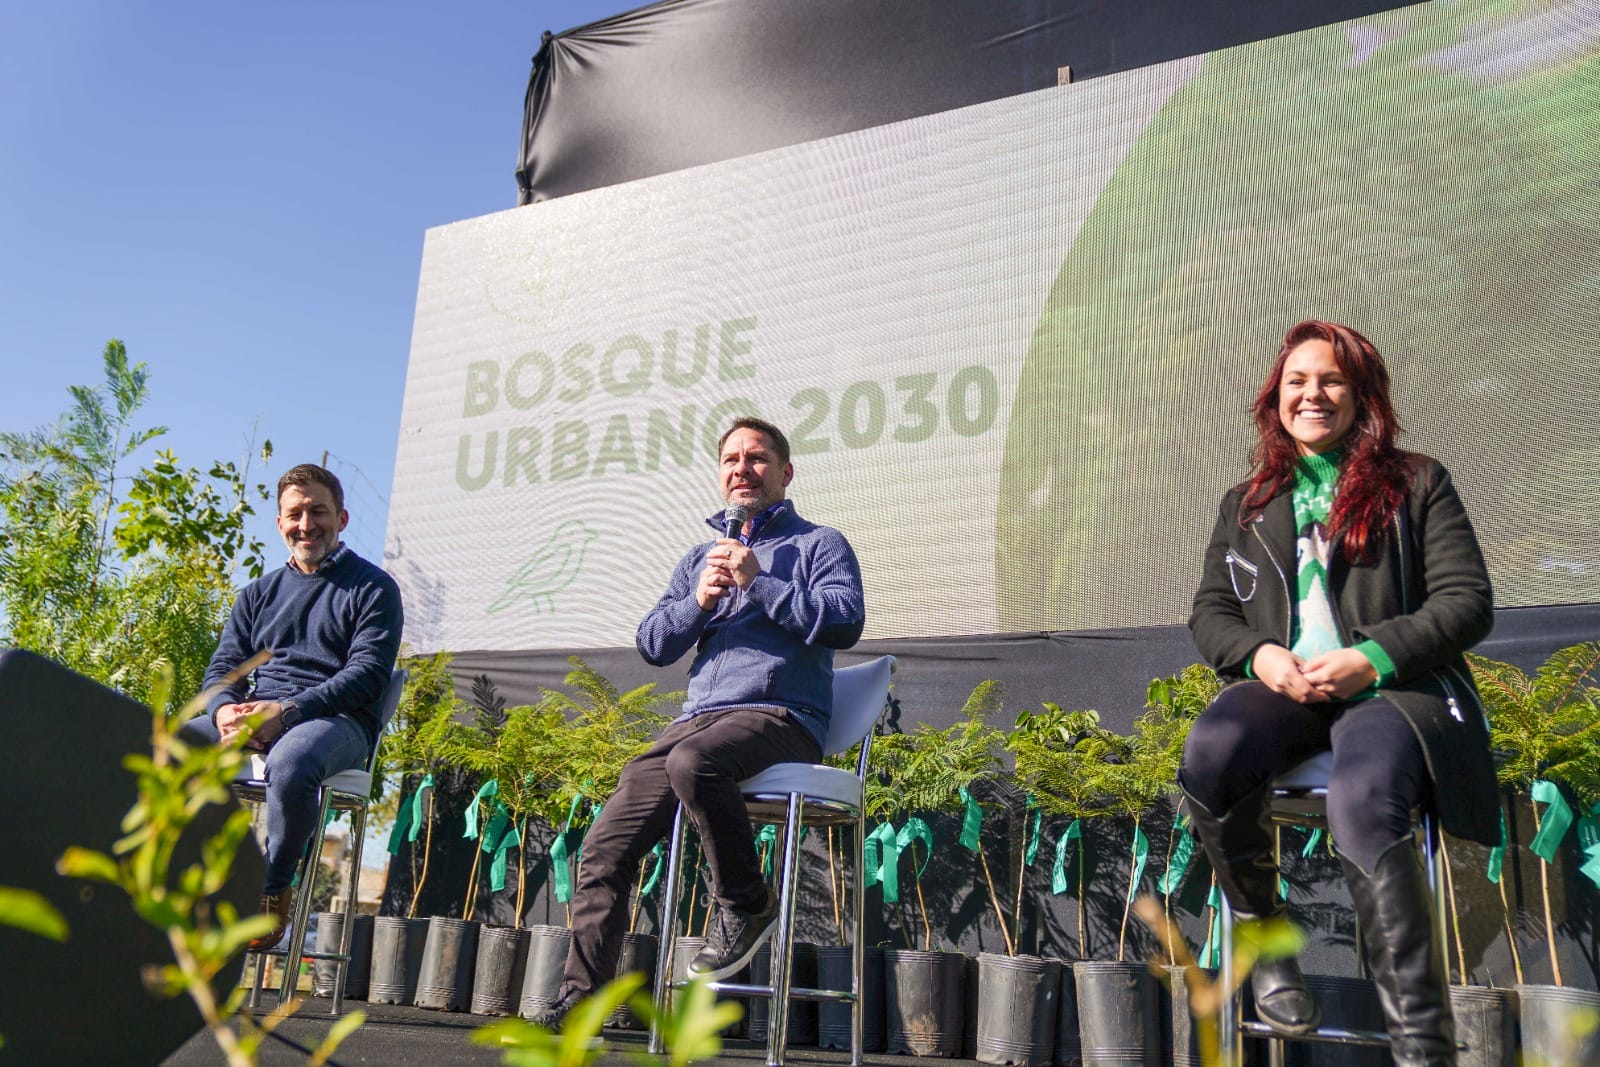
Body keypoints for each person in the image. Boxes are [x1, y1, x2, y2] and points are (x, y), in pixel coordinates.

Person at [1181, 320, 1495, 1067]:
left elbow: (1466, 602)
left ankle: (1422, 1046)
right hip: (1287, 691)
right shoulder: (1247, 500)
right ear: (1275, 398)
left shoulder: (1418, 481)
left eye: (1329, 380)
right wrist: (1259, 655)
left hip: (1395, 692)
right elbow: (1210, 612)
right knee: (1212, 749)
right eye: (1296, 381)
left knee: (1365, 794)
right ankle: (1268, 944)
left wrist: (1373, 657)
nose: (1311, 394)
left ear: (1361, 394)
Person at [535, 416, 866, 1028]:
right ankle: (581, 1001)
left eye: (758, 458)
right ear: (721, 475)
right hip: (696, 721)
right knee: (604, 848)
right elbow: (653, 644)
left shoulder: (821, 544)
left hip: (780, 715)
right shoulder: (698, 558)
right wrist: (699, 602)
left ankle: (747, 903)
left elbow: (845, 622)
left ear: (785, 473)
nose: (743, 468)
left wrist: (760, 583)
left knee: (696, 763)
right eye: (732, 460)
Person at [183, 464, 403, 950]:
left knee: (291, 763)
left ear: (342, 518)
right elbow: (224, 670)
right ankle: (188, 879)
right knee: (162, 747)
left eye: (318, 512)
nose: (307, 525)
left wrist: (285, 713)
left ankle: (272, 886)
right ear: (280, 523)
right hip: (256, 715)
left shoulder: (374, 589)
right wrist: (223, 710)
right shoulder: (257, 594)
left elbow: (366, 675)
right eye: (295, 514)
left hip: (338, 722)